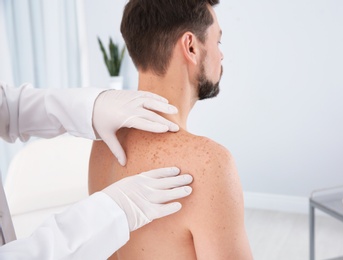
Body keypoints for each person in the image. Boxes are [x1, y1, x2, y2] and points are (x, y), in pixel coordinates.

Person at [89, 0, 253, 259]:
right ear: (191, 46)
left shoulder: (103, 142)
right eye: (217, 42)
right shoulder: (209, 163)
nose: (220, 54)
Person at [0, 82, 193, 259]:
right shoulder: (208, 160)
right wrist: (110, 214)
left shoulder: (104, 146)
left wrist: (89, 107)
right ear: (190, 45)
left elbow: (8, 107)